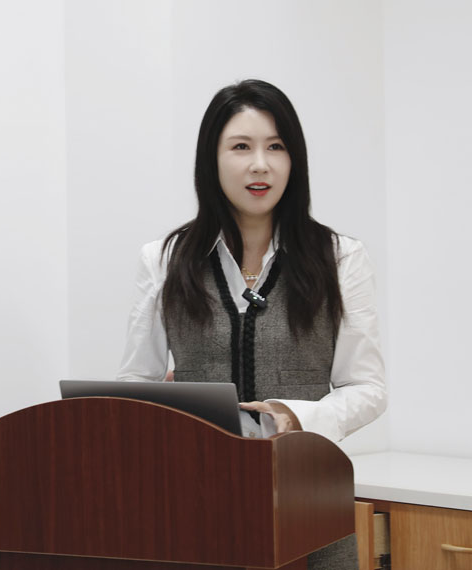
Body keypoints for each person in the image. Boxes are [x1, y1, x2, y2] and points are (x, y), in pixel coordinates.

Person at [117, 79, 386, 569]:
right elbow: (137, 382)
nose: (260, 164)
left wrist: (298, 417)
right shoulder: (164, 260)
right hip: (195, 504)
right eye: (241, 147)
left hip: (309, 500)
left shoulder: (341, 257)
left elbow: (367, 388)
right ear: (212, 159)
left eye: (276, 147)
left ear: (294, 160)